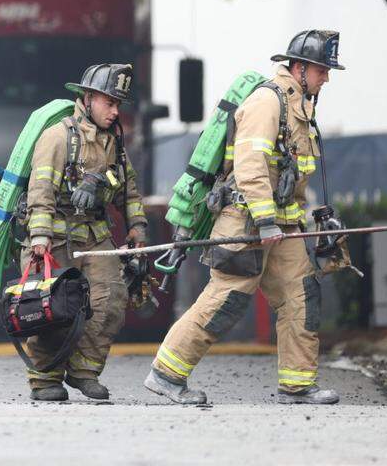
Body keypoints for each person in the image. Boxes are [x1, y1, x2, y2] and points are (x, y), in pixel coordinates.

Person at [146, 30, 345, 405]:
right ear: (299, 68)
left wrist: (303, 224)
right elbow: (251, 167)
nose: (327, 78)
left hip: (282, 230)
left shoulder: (300, 105)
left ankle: (297, 384)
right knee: (227, 298)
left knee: (301, 296)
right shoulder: (268, 103)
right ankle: (166, 374)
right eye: (322, 69)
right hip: (246, 224)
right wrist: (267, 221)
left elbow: (291, 178)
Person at [19, 63, 146, 401]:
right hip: (53, 239)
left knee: (112, 300)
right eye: (109, 103)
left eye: (118, 104)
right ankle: (44, 379)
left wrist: (137, 228)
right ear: (87, 99)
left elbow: (128, 189)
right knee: (52, 307)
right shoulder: (58, 137)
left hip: (93, 236)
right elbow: (40, 189)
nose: (115, 111)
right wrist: (40, 238)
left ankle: (84, 371)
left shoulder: (113, 142)